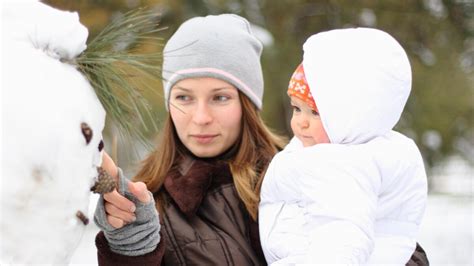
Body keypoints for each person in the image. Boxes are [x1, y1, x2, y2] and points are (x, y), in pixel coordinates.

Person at [94, 16, 429, 265]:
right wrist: (132, 247)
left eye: (220, 98)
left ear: (247, 104)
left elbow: (399, 248)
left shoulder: (307, 169)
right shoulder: (149, 202)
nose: (200, 117)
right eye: (184, 98)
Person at [258, 27, 428, 265]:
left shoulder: (342, 164)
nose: (301, 122)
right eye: (297, 109)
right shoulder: (338, 150)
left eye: (316, 113)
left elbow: (341, 241)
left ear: (351, 116)